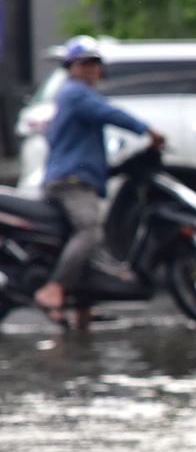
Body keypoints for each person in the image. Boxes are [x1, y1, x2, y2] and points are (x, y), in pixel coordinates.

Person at [33, 37, 167, 330]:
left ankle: (84, 309)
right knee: (90, 232)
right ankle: (53, 289)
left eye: (95, 63)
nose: (91, 69)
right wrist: (146, 129)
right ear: (71, 68)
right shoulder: (76, 93)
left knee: (92, 245)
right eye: (85, 63)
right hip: (72, 182)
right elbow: (110, 113)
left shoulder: (72, 96)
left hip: (73, 178)